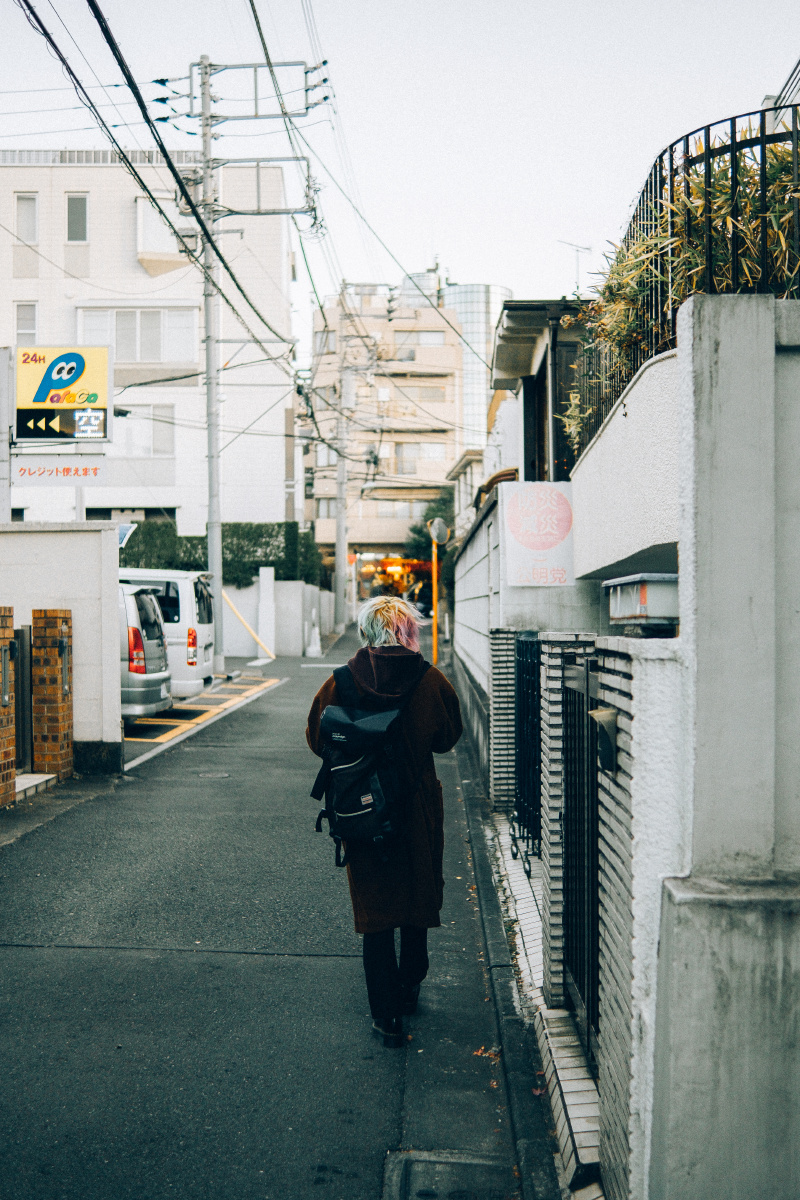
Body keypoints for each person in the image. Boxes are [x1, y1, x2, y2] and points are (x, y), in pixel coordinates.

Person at [306, 595, 462, 1047]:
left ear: (366, 632)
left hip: (361, 812)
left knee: (374, 913)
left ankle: (386, 1018)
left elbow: (318, 739)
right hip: (415, 812)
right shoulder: (429, 680)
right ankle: (409, 986)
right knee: (416, 897)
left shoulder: (339, 683)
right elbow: (448, 738)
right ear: (407, 631)